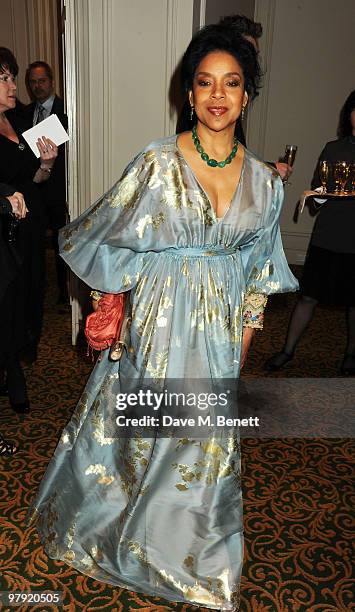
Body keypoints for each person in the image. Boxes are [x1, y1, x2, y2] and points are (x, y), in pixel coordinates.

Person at [28, 24, 298, 610]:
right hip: (157, 320)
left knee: (205, 447)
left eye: (231, 84)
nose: (218, 96)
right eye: (205, 84)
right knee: (143, 440)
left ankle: (195, 561)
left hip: (222, 332)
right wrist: (116, 300)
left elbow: (260, 273)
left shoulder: (265, 184)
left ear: (247, 96)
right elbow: (101, 233)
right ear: (189, 94)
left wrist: (245, 339)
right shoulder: (157, 162)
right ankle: (120, 533)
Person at [265, 90, 355, 375]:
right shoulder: (333, 148)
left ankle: (351, 356)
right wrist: (320, 195)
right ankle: (287, 350)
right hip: (328, 233)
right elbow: (316, 195)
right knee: (308, 296)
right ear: (349, 114)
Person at [0, 48, 58, 377]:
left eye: (12, 77)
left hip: (30, 225)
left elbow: (33, 177)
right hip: (4, 235)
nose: (13, 85)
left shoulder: (20, 120)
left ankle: (25, 350)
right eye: (4, 78)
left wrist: (47, 164)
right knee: (10, 299)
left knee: (34, 288)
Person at [25, 61, 68, 305]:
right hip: (33, 188)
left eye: (42, 81)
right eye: (32, 82)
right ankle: (36, 290)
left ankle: (64, 293)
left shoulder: (67, 109)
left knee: (60, 242)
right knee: (33, 242)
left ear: (51, 82)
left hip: (59, 189)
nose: (37, 86)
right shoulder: (23, 112)